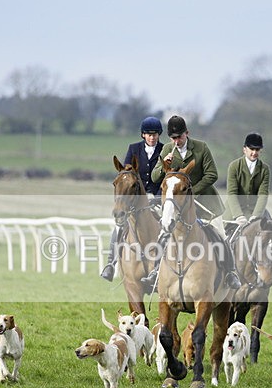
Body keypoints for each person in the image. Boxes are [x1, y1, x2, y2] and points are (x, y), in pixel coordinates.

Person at [141, 115, 241, 290]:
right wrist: (162, 165)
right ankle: (155, 272)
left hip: (206, 205)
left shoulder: (201, 148)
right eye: (173, 138)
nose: (177, 141)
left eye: (179, 137)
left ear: (187, 133)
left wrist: (190, 192)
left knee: (220, 235)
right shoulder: (166, 150)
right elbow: (156, 178)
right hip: (178, 208)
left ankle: (231, 272)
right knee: (163, 234)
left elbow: (212, 174)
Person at [100, 116, 163, 281]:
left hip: (158, 198)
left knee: (168, 226)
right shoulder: (133, 149)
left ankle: (163, 266)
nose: (152, 137)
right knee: (120, 226)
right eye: (149, 134)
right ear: (143, 135)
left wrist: (156, 197)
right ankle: (110, 264)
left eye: (155, 134)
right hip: (136, 199)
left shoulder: (164, 149)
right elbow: (127, 174)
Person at [223, 132, 272, 287]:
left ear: (260, 151)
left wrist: (256, 216)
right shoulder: (234, 166)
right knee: (222, 241)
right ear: (244, 149)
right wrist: (239, 216)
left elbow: (263, 194)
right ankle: (227, 272)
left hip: (258, 213)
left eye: (257, 149)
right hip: (233, 212)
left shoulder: (265, 169)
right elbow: (231, 193)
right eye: (251, 149)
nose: (254, 152)